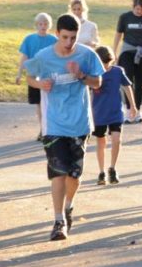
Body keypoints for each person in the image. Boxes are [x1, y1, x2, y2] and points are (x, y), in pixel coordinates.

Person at [24, 13, 105, 240]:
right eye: (65, 37)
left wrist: (80, 75)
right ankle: (58, 221)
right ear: (57, 34)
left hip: (79, 123)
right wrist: (40, 84)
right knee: (58, 173)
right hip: (54, 124)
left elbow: (98, 82)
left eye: (73, 37)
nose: (69, 43)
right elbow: (30, 76)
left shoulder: (86, 55)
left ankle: (69, 206)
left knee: (74, 175)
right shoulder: (44, 56)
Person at [91, 46, 137, 186]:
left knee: (116, 140)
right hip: (98, 113)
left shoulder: (118, 72)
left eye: (107, 63)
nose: (105, 66)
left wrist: (133, 106)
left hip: (115, 112)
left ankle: (112, 168)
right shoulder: (93, 73)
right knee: (101, 142)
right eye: (102, 63)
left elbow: (127, 87)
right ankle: (101, 171)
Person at [112, 0, 142, 122]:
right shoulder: (125, 17)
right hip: (128, 52)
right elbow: (118, 34)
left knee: (140, 83)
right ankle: (129, 110)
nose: (139, 11)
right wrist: (114, 51)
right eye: (136, 9)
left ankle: (137, 112)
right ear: (133, 7)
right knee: (127, 81)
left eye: (141, 9)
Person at [16, 12, 57, 140]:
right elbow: (25, 57)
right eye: (40, 24)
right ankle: (42, 129)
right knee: (39, 104)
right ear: (36, 25)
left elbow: (58, 58)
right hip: (34, 76)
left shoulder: (53, 41)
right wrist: (19, 73)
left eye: (45, 24)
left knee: (49, 103)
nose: (43, 26)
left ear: (49, 25)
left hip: (49, 76)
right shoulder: (29, 39)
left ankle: (51, 129)